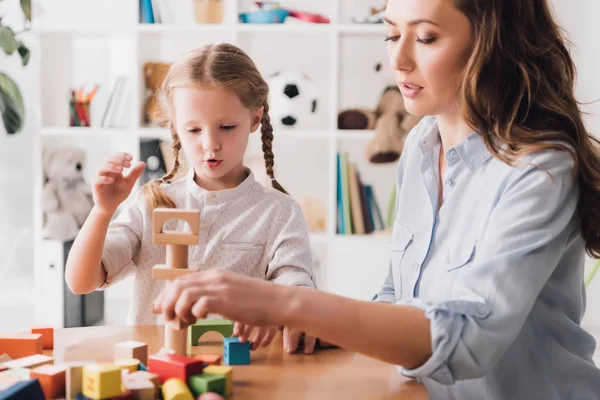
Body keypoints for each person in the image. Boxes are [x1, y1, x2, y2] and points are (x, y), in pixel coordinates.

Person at [154, 0, 600, 398]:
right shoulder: (423, 145)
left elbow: (467, 341)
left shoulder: (540, 168)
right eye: (391, 34)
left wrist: (281, 301)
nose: (399, 60)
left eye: (425, 37)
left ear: (491, 43)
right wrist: (324, 326)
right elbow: (400, 297)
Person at [65, 43, 320, 355]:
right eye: (194, 129)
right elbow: (81, 281)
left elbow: (297, 286)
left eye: (227, 127)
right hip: (157, 370)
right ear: (174, 127)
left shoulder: (279, 212)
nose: (210, 145)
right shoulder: (152, 203)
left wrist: (280, 307)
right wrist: (103, 211)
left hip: (240, 374)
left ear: (255, 120)